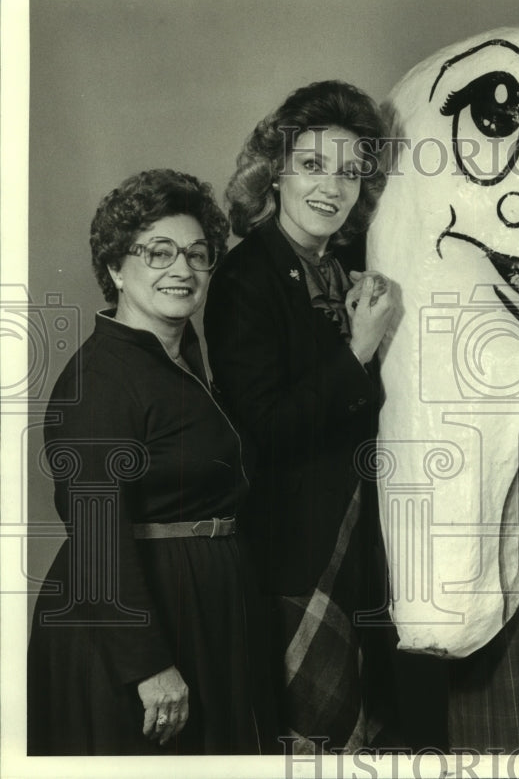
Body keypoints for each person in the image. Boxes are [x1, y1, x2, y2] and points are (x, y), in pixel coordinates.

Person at [28, 168, 276, 755]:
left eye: (197, 254)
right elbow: (94, 540)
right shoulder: (100, 379)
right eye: (159, 252)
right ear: (116, 267)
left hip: (201, 605)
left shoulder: (181, 362)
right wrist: (148, 668)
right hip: (133, 636)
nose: (182, 269)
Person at [203, 80, 399, 752]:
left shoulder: (347, 265)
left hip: (358, 544)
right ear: (275, 173)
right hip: (292, 551)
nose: (331, 187)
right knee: (311, 743)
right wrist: (360, 349)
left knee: (370, 734)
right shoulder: (245, 277)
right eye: (312, 165)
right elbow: (266, 428)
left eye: (349, 172)